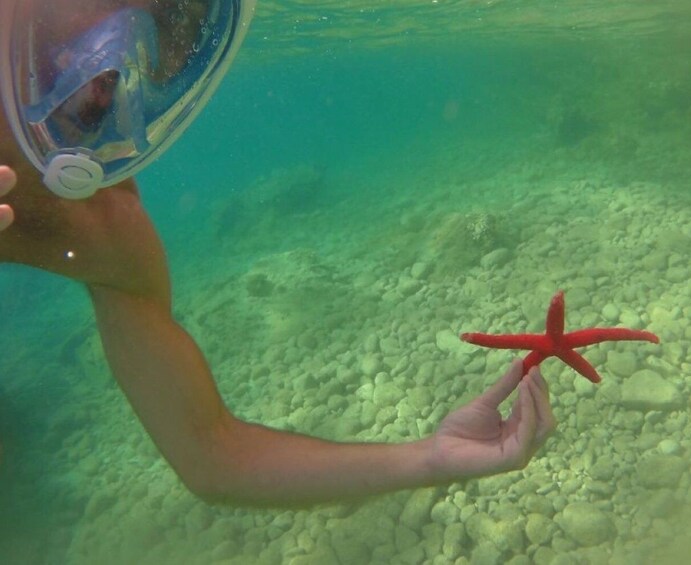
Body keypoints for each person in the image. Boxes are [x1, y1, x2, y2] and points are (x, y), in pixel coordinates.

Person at [0, 0, 556, 506]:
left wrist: (430, 457)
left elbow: (212, 455)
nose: (117, 56)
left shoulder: (103, 229)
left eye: (171, 19)